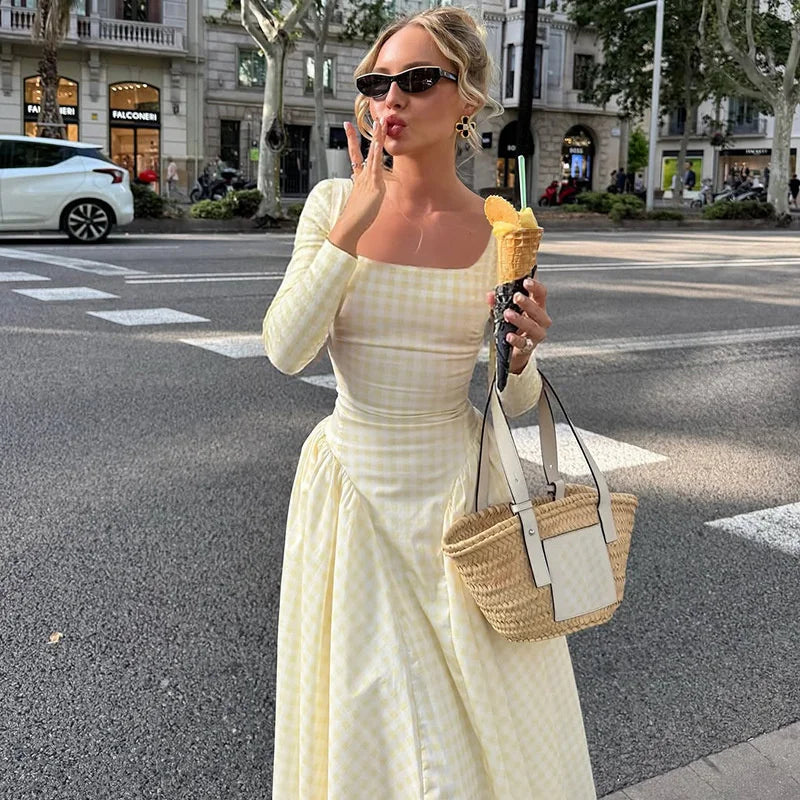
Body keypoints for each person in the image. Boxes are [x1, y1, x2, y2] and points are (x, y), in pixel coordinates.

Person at [263, 7, 596, 798]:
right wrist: (353, 223)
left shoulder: (496, 231)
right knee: (366, 716)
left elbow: (510, 399)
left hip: (461, 494)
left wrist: (522, 351)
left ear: (469, 99)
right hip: (353, 490)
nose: (392, 101)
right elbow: (285, 349)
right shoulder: (330, 205)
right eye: (377, 84)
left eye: (417, 80)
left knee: (477, 728)